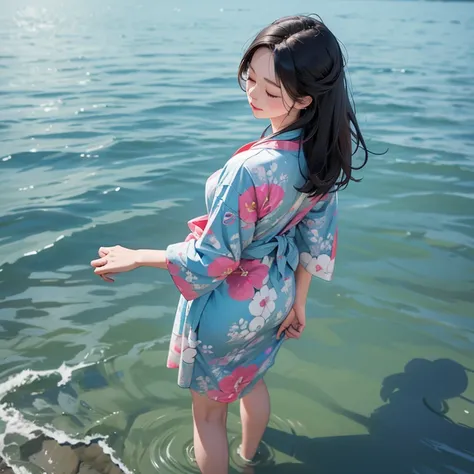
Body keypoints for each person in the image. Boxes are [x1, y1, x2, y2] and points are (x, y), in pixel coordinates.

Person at [90, 14, 369, 474]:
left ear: (303, 98)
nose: (252, 95)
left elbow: (213, 260)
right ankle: (248, 460)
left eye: (270, 90)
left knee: (207, 416)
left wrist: (137, 256)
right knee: (251, 381)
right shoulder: (322, 156)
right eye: (250, 78)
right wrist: (299, 302)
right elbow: (316, 239)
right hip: (275, 297)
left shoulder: (251, 169)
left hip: (229, 307)